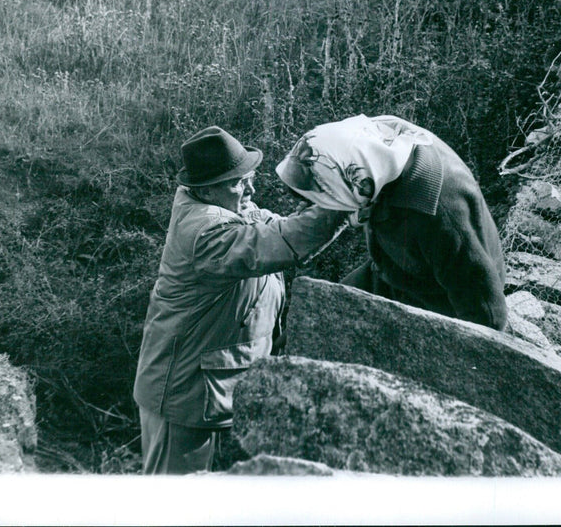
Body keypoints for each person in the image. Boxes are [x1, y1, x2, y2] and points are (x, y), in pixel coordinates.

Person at [133, 126, 347, 474]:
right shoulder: (204, 231)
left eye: (249, 177)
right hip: (184, 397)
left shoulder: (231, 208)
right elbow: (281, 242)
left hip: (218, 392)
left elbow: (279, 227)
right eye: (237, 181)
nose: (251, 188)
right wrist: (344, 201)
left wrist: (327, 198)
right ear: (205, 189)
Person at [276, 114, 507, 331]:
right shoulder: (378, 150)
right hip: (398, 271)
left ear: (349, 186)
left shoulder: (440, 212)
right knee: (317, 320)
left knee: (327, 332)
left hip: (438, 299)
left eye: (327, 197)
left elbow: (485, 310)